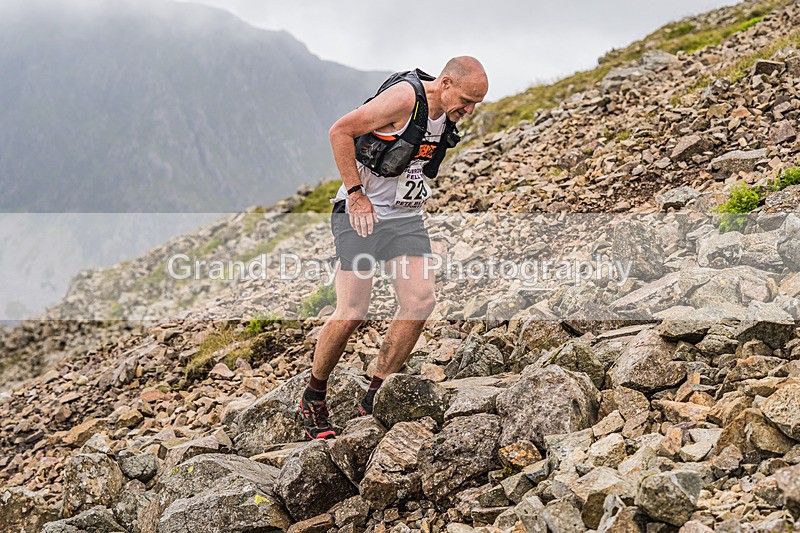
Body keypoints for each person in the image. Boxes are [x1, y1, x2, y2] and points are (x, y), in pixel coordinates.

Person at [300, 56, 489, 439]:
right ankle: (314, 395)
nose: (468, 111)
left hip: (405, 218)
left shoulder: (446, 115)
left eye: (475, 105)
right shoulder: (405, 99)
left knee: (421, 301)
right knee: (353, 311)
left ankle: (374, 397)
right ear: (447, 82)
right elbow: (340, 131)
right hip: (361, 214)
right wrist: (355, 194)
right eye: (466, 101)